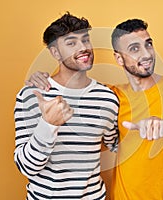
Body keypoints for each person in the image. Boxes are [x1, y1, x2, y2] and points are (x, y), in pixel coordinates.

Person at [27, 19, 163, 199]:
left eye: (149, 44)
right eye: (134, 48)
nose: (146, 54)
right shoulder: (113, 96)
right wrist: (43, 79)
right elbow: (74, 85)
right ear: (119, 59)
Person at [14, 12, 119, 200]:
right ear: (55, 52)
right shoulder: (32, 95)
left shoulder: (107, 98)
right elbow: (26, 167)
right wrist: (48, 124)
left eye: (85, 40)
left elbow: (116, 145)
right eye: (71, 43)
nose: (83, 48)